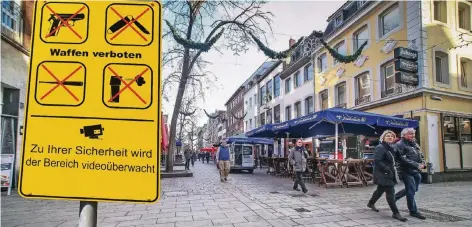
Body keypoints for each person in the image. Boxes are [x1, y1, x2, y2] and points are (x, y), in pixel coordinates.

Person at [367, 130, 407, 222]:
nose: (390, 137)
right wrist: (387, 169)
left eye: (392, 136)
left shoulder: (391, 147)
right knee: (390, 192)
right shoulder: (380, 147)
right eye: (388, 136)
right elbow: (377, 160)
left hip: (389, 173)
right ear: (383, 137)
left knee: (380, 189)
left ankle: (371, 203)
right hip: (383, 173)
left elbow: (395, 159)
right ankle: (396, 213)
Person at [394, 128, 426, 220]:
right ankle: (413, 211)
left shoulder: (414, 143)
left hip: (416, 170)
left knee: (413, 189)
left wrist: (423, 163)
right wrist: (417, 165)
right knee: (411, 190)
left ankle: (395, 197)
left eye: (414, 134)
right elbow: (402, 159)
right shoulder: (399, 145)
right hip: (406, 171)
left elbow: (420, 154)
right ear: (404, 135)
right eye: (410, 134)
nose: (413, 136)